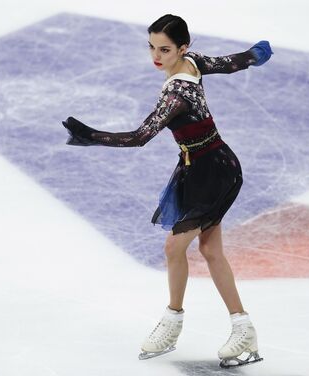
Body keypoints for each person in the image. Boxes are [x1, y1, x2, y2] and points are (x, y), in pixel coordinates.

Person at [62, 14, 272, 368]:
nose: (156, 56)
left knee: (175, 246)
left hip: (213, 171)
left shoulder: (177, 94)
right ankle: (242, 327)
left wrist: (91, 137)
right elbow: (230, 63)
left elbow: (139, 137)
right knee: (209, 250)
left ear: (182, 48)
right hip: (205, 166)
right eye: (152, 47)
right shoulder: (193, 62)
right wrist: (253, 55)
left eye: (165, 49)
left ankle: (174, 321)